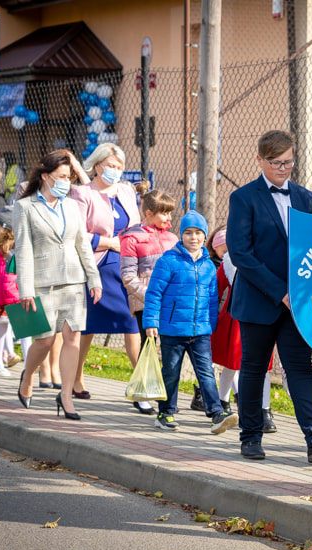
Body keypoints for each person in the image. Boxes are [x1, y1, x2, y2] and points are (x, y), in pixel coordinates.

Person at [226, 129, 312, 462]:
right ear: (260, 160)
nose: (284, 169)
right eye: (277, 163)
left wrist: (309, 291)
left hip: (296, 301)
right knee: (254, 367)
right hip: (258, 299)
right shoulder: (243, 198)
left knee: (299, 367)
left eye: (289, 162)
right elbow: (241, 254)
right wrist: (278, 290)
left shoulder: (306, 197)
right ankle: (250, 436)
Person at [13, 150, 102, 420]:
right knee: (45, 340)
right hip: (42, 282)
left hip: (74, 282)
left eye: (70, 177)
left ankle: (65, 396)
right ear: (45, 176)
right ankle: (27, 376)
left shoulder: (71, 205)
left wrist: (93, 278)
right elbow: (23, 249)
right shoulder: (25, 206)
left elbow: (82, 245)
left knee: (72, 337)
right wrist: (25, 289)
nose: (67, 182)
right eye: (62, 176)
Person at [142, 210, 238, 435]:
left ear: (205, 237)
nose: (193, 238)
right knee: (171, 372)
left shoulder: (208, 266)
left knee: (205, 372)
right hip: (173, 330)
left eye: (197, 233)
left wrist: (211, 324)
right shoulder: (168, 261)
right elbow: (154, 293)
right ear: (180, 235)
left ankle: (216, 413)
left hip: (201, 331)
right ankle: (166, 413)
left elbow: (213, 297)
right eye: (188, 233)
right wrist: (150, 322)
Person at [70, 143, 141, 399]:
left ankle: (141, 384)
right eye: (110, 165)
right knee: (88, 326)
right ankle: (75, 378)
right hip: (98, 264)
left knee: (131, 321)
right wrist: (107, 242)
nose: (115, 170)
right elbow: (74, 232)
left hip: (127, 265)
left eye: (119, 166)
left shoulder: (126, 191)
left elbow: (136, 226)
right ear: (97, 165)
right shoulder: (82, 193)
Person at [208, 228, 277, 430]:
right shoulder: (229, 262)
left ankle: (265, 412)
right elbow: (217, 290)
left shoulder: (270, 258)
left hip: (264, 317)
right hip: (236, 319)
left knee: (264, 366)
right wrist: (211, 318)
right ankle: (222, 403)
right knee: (232, 364)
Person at [119, 185, 178, 415]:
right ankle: (142, 394)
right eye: (164, 213)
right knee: (148, 346)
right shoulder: (132, 238)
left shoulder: (173, 238)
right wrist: (152, 296)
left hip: (171, 303)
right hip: (146, 303)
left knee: (171, 349)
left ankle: (164, 395)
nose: (168, 217)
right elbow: (128, 276)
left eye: (170, 213)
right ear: (149, 214)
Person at [0, 206, 32, 377]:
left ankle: (28, 366)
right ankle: (0, 365)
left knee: (23, 331)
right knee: (7, 331)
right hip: (5, 297)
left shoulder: (21, 246)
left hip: (16, 295)